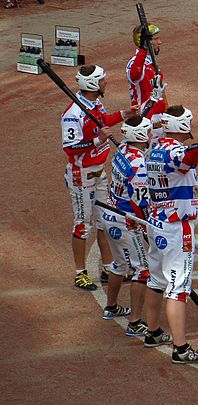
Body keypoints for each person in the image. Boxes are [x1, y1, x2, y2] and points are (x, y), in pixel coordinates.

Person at [144, 106, 198, 363]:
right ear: (183, 125)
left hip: (155, 222)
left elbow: (184, 155)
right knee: (178, 288)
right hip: (176, 227)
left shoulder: (154, 148)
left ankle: (153, 331)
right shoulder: (175, 152)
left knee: (155, 280)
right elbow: (187, 157)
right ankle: (181, 349)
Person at [61, 65, 137, 291]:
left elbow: (103, 122)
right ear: (93, 84)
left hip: (99, 172)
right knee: (82, 225)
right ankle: (80, 273)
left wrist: (125, 114)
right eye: (102, 80)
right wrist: (97, 141)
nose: (105, 83)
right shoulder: (73, 114)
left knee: (105, 221)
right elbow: (70, 148)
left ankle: (108, 267)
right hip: (81, 175)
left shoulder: (94, 104)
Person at [102, 115, 153, 332]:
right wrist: (146, 226)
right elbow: (140, 203)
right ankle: (134, 322)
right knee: (143, 270)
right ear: (141, 135)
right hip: (126, 220)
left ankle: (111, 307)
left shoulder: (122, 149)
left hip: (110, 214)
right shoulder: (139, 165)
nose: (152, 135)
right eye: (148, 131)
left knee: (120, 265)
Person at [126, 21, 166, 128]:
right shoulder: (135, 63)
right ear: (145, 41)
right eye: (156, 39)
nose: (160, 42)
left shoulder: (151, 62)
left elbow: (160, 93)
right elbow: (135, 75)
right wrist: (143, 49)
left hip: (158, 117)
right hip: (144, 119)